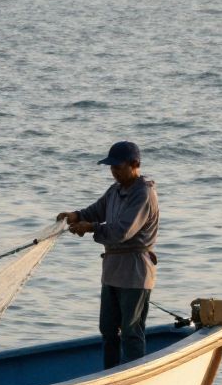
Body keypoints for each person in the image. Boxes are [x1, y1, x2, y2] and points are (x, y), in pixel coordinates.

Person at [57, 140, 160, 368]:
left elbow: (122, 231)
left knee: (131, 330)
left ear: (135, 164)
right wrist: (75, 215)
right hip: (112, 270)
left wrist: (91, 227)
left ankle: (132, 376)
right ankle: (110, 373)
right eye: (111, 167)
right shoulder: (116, 190)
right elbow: (98, 209)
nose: (114, 172)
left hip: (135, 271)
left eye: (118, 167)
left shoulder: (143, 193)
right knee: (108, 329)